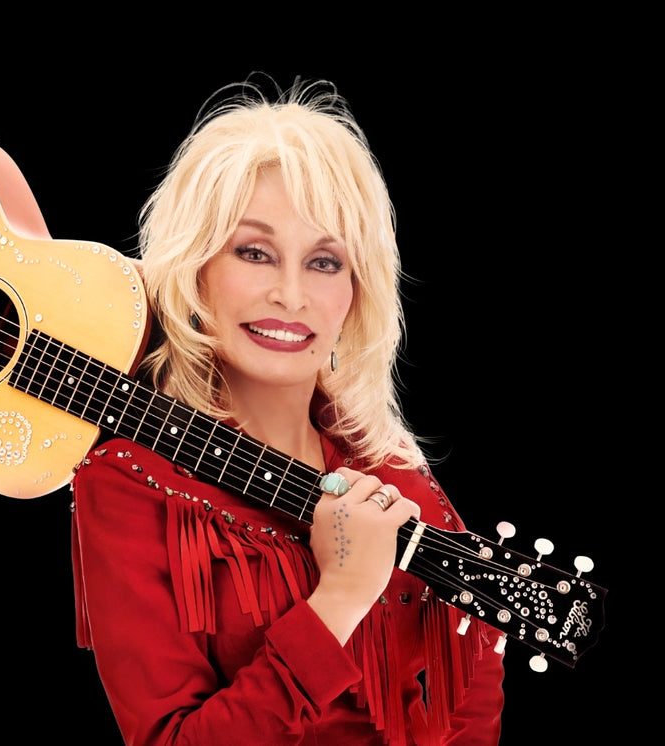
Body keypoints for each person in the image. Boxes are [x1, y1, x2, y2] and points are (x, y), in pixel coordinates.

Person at [69, 78, 505, 745]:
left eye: (325, 261)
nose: (291, 294)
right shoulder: (129, 482)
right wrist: (338, 600)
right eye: (254, 252)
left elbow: (470, 719)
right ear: (195, 270)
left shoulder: (399, 481)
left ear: (355, 293)